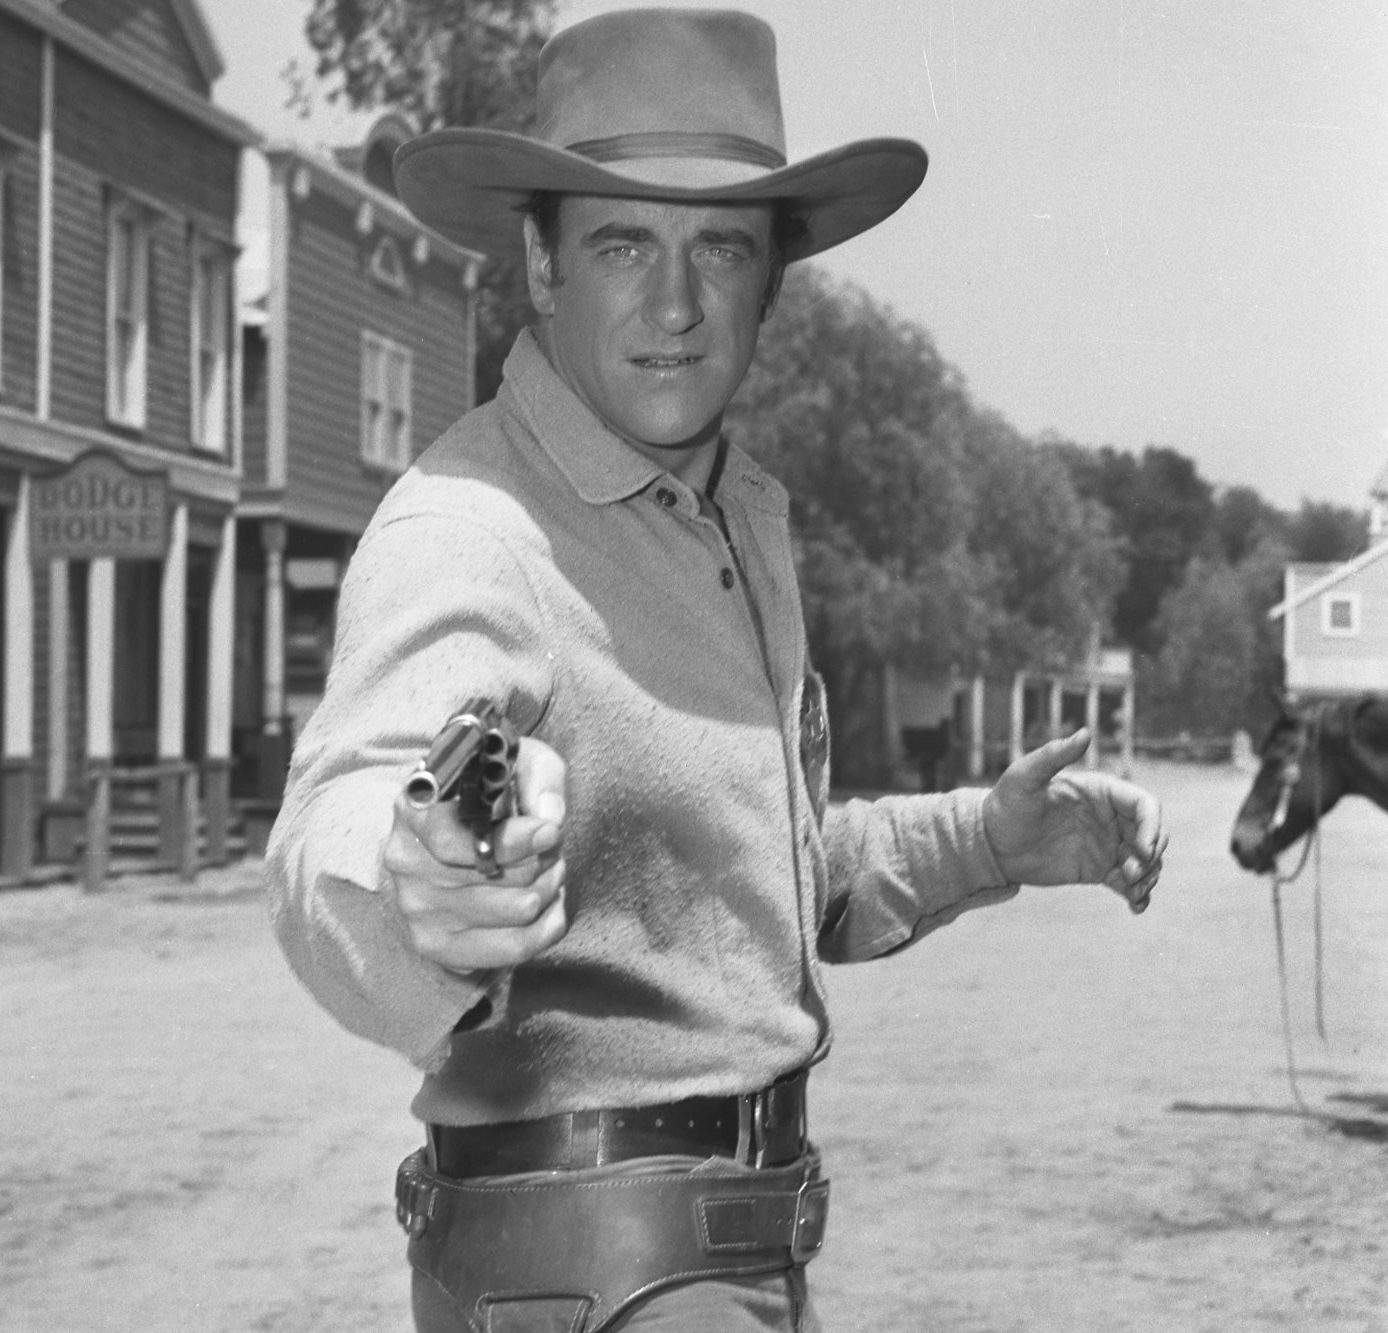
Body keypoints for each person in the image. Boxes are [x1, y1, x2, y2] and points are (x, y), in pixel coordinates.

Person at [264, 9, 1169, 1332]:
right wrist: (414, 892)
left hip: (710, 1259)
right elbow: (352, 808)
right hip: (596, 1268)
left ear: (774, 279)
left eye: (721, 248)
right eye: (623, 241)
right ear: (540, 259)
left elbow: (757, 884)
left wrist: (991, 837)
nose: (677, 305)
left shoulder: (731, 518)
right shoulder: (476, 526)